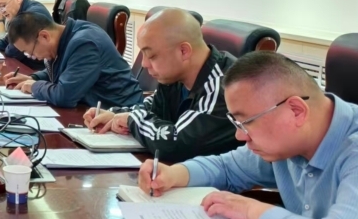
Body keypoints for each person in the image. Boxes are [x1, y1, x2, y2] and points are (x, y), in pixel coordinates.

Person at [137, 51, 358, 219]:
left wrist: (254, 211)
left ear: (296, 110)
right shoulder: (289, 141)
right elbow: (227, 167)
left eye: (246, 122)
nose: (239, 136)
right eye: (236, 123)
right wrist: (175, 174)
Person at [84, 8, 242, 163]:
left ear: (183, 51)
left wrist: (132, 120)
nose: (144, 64)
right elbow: (153, 109)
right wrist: (116, 115)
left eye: (151, 55)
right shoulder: (173, 77)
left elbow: (179, 143)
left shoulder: (226, 85)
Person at [3, 12, 144, 108]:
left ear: (44, 36)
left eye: (31, 52)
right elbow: (69, 69)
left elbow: (65, 96)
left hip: (120, 113)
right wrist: (33, 77)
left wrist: (35, 86)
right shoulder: (67, 36)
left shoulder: (84, 43)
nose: (32, 57)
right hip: (92, 110)